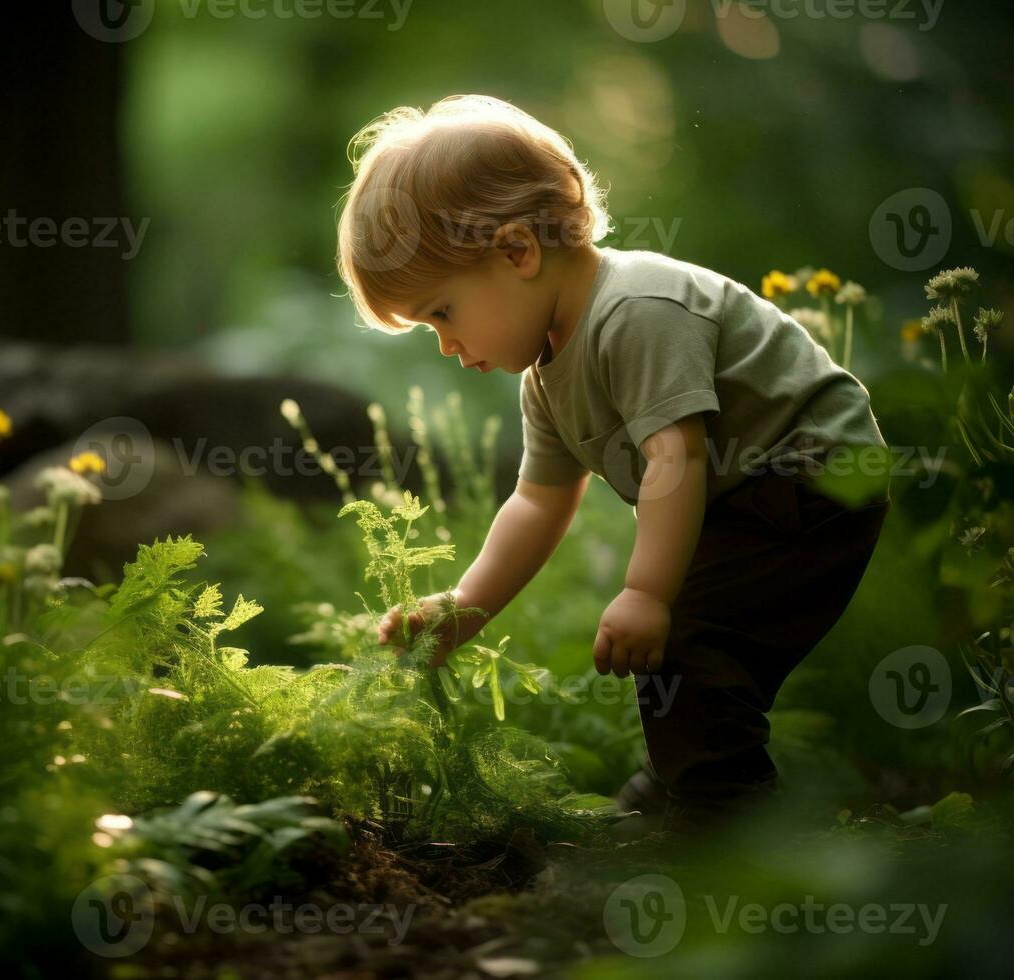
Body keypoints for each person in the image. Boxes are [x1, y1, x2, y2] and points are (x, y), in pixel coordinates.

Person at [334, 94, 892, 836]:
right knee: (689, 654)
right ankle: (680, 787)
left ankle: (727, 825)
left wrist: (645, 590)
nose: (444, 344)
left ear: (515, 252)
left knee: (691, 641)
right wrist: (464, 607)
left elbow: (675, 455)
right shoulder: (544, 376)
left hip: (810, 474)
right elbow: (536, 502)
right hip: (746, 493)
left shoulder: (635, 310)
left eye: (441, 312)